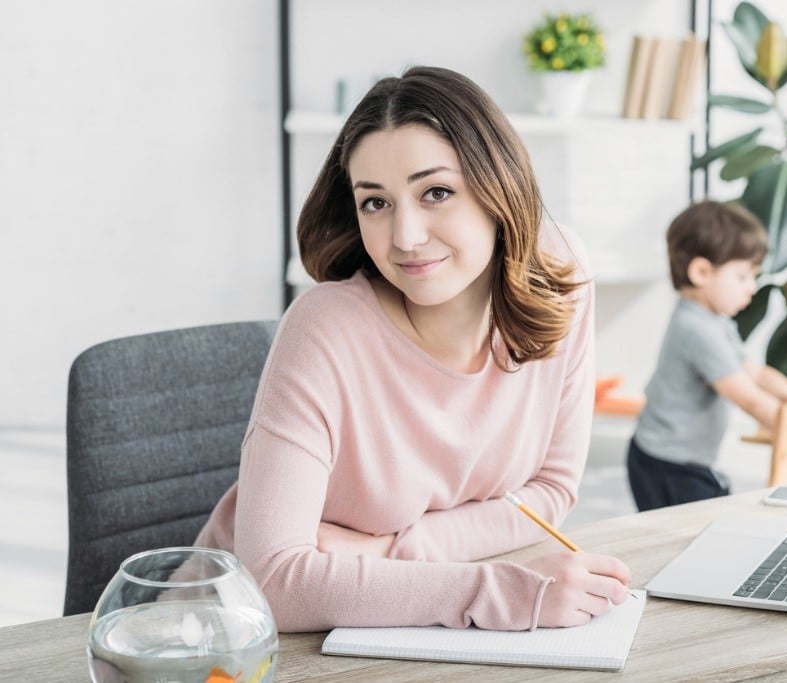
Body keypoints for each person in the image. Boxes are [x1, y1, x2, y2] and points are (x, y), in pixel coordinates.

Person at [194, 66, 631, 632]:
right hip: (225, 642)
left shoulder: (559, 276)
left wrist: (392, 550)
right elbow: (272, 583)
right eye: (375, 203)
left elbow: (551, 490)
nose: (404, 237)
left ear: (499, 187)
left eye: (436, 192)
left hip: (396, 622)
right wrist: (499, 592)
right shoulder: (323, 328)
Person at [627, 200, 787, 512]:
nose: (752, 288)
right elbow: (752, 400)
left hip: (678, 457)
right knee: (695, 532)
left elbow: (757, 374)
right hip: (669, 464)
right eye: (743, 276)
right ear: (702, 271)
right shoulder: (696, 330)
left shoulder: (714, 319)